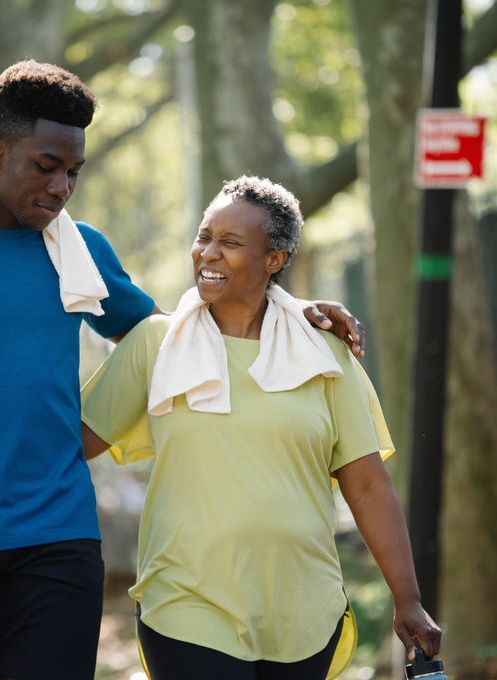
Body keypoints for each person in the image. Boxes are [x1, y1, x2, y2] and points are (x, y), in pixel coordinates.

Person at [0, 61, 366, 680]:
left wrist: (285, 305)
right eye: (46, 166)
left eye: (74, 172)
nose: (62, 187)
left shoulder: (80, 251)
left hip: (57, 540)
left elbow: (185, 333)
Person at [81, 176, 442, 680]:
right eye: (205, 236)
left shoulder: (325, 352)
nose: (208, 253)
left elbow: (365, 483)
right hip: (187, 605)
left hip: (303, 611)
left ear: (274, 259)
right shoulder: (155, 344)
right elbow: (73, 445)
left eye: (229, 243)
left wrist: (409, 599)